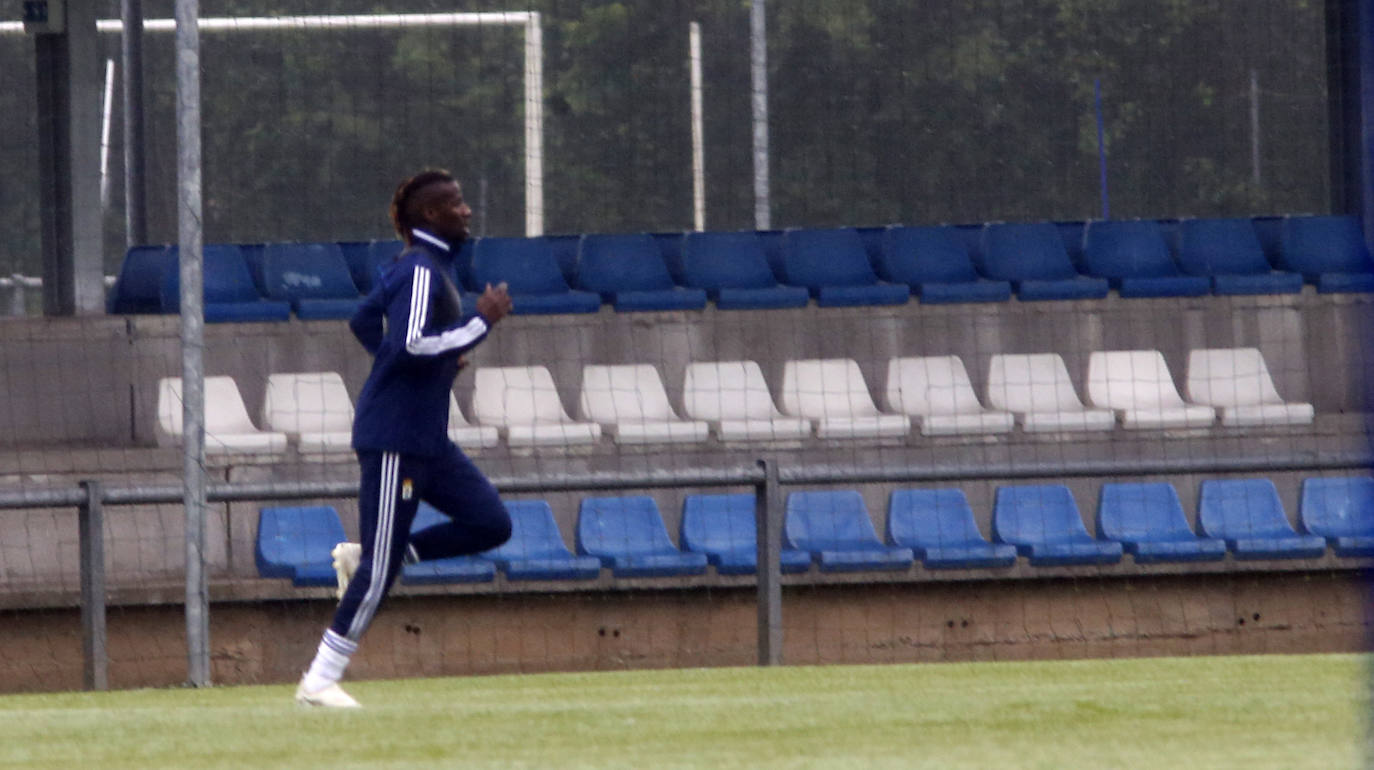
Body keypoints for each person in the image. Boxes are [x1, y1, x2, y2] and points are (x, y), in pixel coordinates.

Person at [295, 169, 514, 708]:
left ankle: (372, 556)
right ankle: (319, 681)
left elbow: (365, 322)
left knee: (490, 523)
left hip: (427, 438)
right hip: (396, 437)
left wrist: (440, 360)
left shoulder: (428, 267)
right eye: (457, 204)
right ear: (432, 216)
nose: (467, 211)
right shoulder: (420, 269)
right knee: (382, 568)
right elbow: (411, 343)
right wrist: (479, 326)